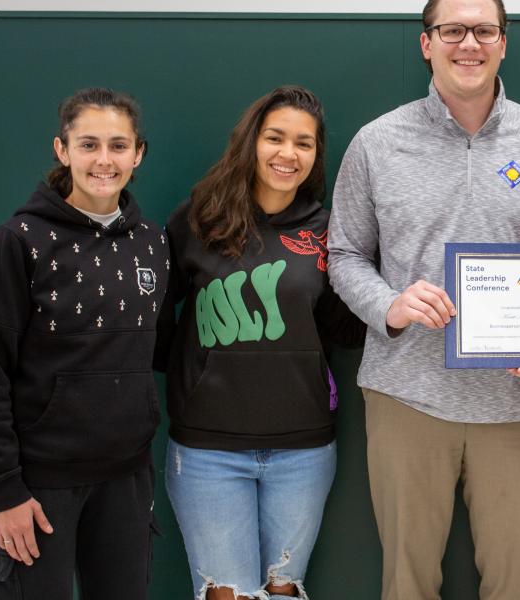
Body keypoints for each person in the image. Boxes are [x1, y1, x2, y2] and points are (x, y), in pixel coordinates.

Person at [327, 0, 520, 597]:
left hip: (519, 402)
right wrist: (389, 306)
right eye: (452, 30)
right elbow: (343, 255)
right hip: (407, 395)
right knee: (408, 583)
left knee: (512, 583)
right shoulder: (376, 142)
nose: (467, 43)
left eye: (483, 30)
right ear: (427, 43)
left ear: (504, 42)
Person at [158, 86, 364, 600]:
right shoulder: (197, 219)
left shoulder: (327, 231)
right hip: (207, 450)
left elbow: (343, 329)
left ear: (316, 156)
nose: (287, 154)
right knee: (225, 593)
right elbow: (158, 320)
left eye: (303, 143)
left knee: (285, 590)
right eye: (274, 138)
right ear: (251, 142)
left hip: (304, 448)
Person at [0, 88, 167, 599]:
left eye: (118, 146)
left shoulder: (154, 243)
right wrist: (5, 490)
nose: (104, 160)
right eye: (88, 144)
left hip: (125, 480)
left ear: (138, 154)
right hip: (37, 486)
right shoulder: (18, 242)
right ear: (62, 150)